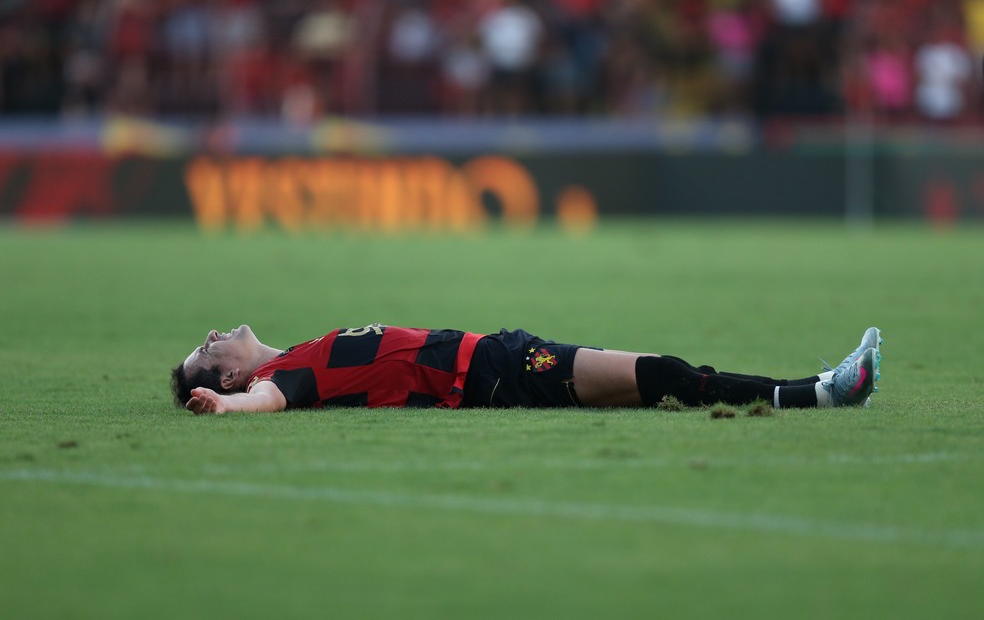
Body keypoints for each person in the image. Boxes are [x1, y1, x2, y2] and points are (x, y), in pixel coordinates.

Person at [171, 323, 882, 415]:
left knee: (663, 378)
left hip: (497, 359)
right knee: (663, 371)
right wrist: (222, 407)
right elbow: (269, 402)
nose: (212, 337)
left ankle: (815, 391)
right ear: (228, 377)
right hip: (497, 371)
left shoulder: (299, 354)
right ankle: (821, 391)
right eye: (206, 355)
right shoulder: (287, 379)